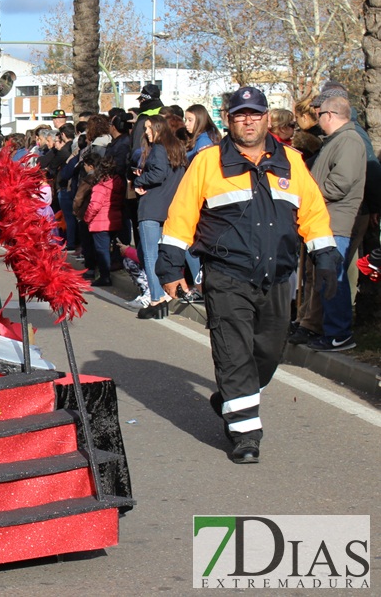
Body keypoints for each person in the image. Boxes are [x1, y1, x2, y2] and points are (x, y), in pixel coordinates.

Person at [157, 87, 341, 464]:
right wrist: (169, 266)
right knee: (234, 353)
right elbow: (181, 216)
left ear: (266, 118)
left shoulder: (290, 160)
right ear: (229, 119)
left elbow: (314, 213)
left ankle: (229, 397)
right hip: (226, 275)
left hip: (277, 277)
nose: (248, 120)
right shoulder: (207, 162)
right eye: (240, 115)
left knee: (268, 353)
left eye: (255, 114)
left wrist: (326, 257)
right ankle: (245, 434)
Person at [287, 94, 366, 350]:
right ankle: (326, 329)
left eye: (319, 114)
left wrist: (309, 194)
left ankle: (339, 333)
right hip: (325, 220)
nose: (317, 119)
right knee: (323, 278)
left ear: (330, 115)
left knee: (334, 279)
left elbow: (339, 184)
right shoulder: (337, 140)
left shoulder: (349, 141)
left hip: (336, 221)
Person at [131, 115, 188, 318]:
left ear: (158, 128)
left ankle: (157, 299)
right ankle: (166, 294)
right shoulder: (178, 149)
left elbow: (157, 174)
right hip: (170, 207)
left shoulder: (158, 149)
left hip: (152, 207)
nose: (146, 132)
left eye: (149, 128)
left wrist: (138, 181)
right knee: (165, 254)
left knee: (150, 255)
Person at [81, 151, 123, 287]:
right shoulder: (118, 183)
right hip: (114, 219)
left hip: (100, 222)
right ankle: (108, 271)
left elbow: (94, 206)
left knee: (102, 250)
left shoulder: (100, 186)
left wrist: (86, 218)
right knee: (111, 248)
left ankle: (105, 276)